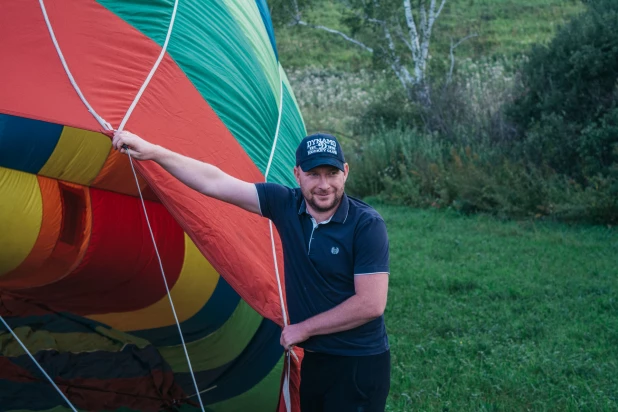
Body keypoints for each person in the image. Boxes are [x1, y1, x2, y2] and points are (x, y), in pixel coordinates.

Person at [112, 130, 391, 411]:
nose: (324, 184)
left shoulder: (366, 225)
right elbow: (214, 181)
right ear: (297, 174)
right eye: (313, 173)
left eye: (331, 173)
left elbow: (371, 304)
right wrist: (153, 152)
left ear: (345, 172)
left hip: (359, 362)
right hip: (316, 357)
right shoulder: (284, 204)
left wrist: (303, 329)